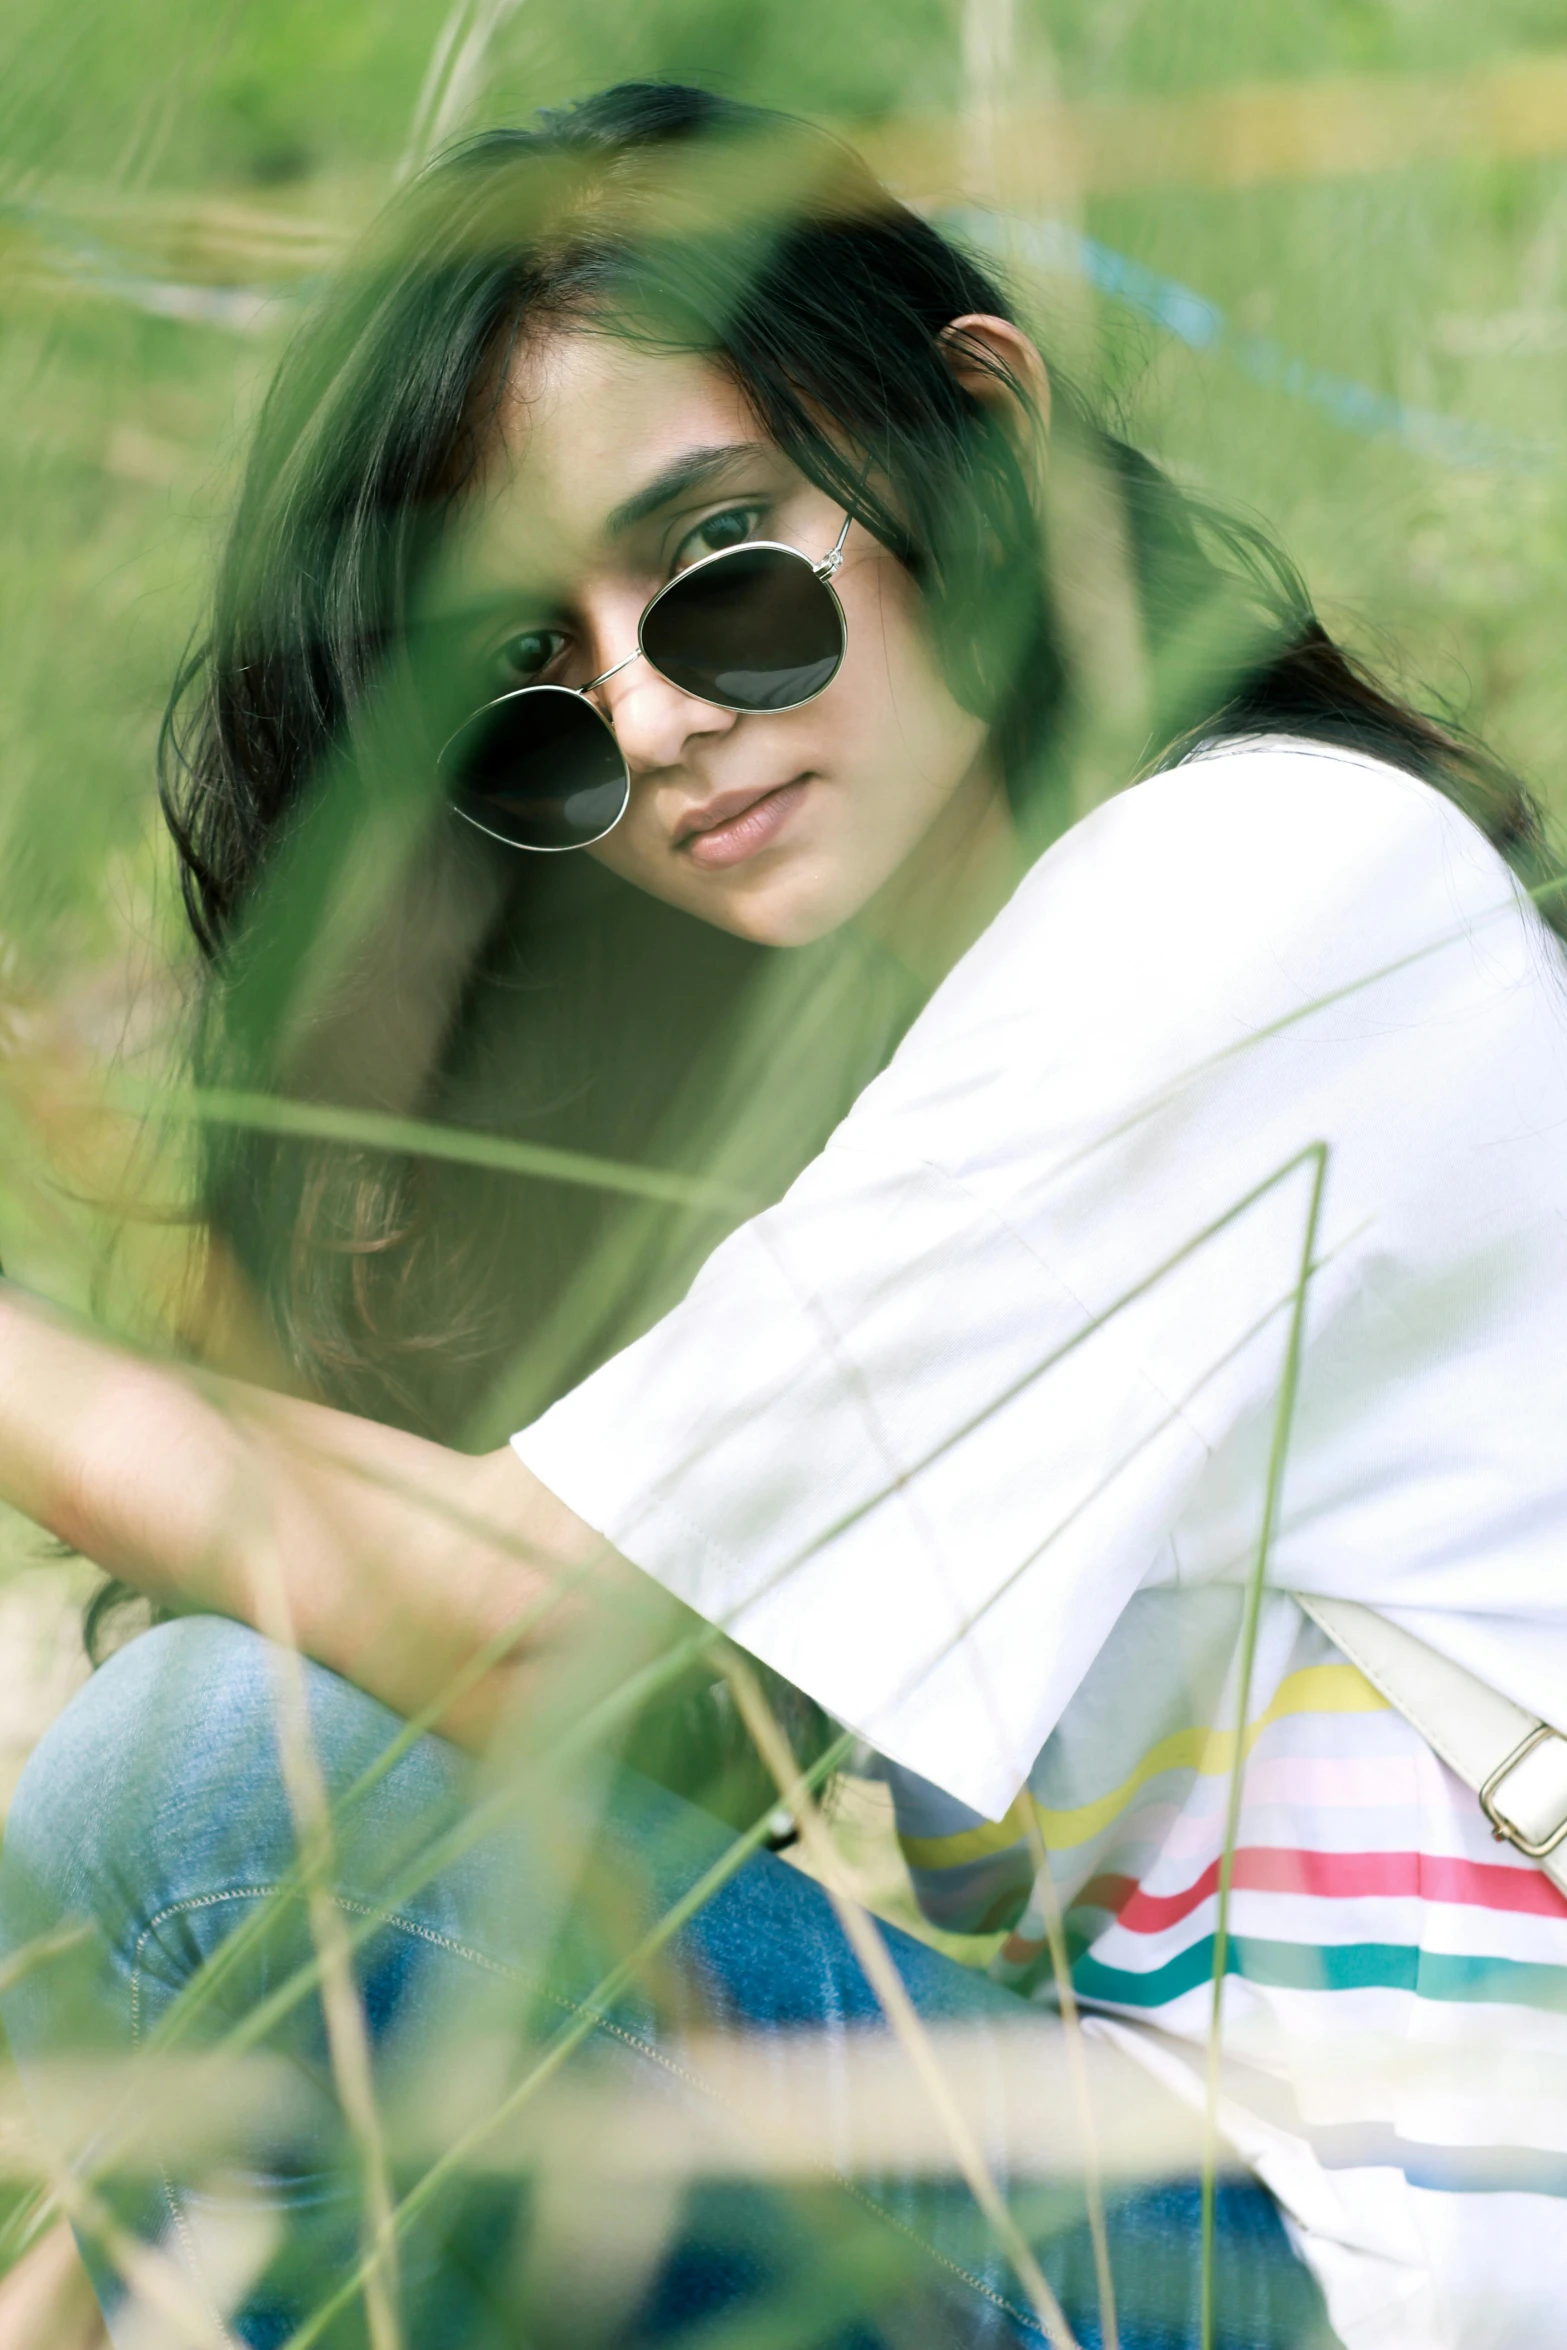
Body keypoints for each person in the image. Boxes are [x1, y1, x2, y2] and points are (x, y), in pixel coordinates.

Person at [1, 76, 1564, 2350]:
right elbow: (546, 1744)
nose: (646, 719)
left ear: (979, 433)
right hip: (1165, 2216)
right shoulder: (886, 1086)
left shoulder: (1257, 901)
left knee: (216, 1784)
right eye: (533, 686)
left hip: (1380, 2275)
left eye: (719, 561)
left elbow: (531, 1642)